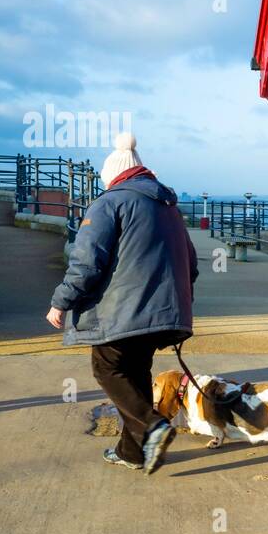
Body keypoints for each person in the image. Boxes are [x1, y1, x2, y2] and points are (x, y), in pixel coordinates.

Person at [46, 132, 198, 474]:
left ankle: (153, 425)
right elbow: (191, 262)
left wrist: (61, 302)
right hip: (161, 313)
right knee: (136, 373)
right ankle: (133, 451)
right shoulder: (168, 207)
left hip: (122, 312)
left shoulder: (108, 203)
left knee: (108, 368)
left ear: (111, 176)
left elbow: (86, 263)